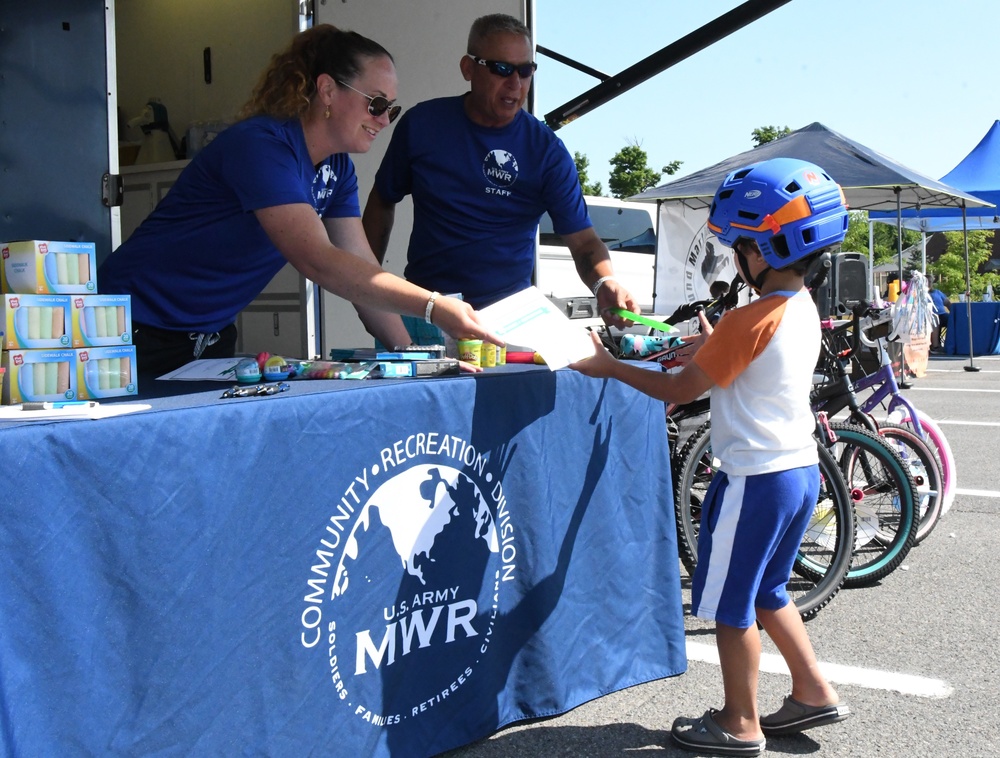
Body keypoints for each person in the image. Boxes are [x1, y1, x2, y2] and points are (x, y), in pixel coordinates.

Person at [571, 157, 852, 756]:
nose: (736, 257)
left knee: (729, 604)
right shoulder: (797, 309)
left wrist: (607, 365)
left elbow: (678, 390)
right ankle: (812, 689)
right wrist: (712, 339)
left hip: (753, 481)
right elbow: (742, 354)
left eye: (741, 246)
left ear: (767, 248)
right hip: (799, 472)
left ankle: (739, 722)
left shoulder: (744, 319)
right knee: (770, 589)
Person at [99, 25, 499, 376]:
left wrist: (415, 358)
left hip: (207, 337)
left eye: (391, 110)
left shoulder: (336, 169)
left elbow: (362, 271)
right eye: (376, 103)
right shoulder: (261, 146)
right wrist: (434, 307)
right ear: (327, 90)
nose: (383, 119)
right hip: (130, 326)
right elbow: (319, 260)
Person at [361, 13, 636, 339]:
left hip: (510, 319)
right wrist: (367, 287)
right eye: (502, 69)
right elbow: (382, 201)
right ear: (468, 68)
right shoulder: (421, 125)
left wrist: (605, 282)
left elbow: (585, 241)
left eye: (525, 71)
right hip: (428, 308)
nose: (515, 84)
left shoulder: (546, 150)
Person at [929, 285, 951, 351]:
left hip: (942, 314)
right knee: (935, 320)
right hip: (930, 316)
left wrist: (954, 314)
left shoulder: (938, 292)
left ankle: (952, 343)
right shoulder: (921, 294)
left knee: (954, 321)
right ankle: (935, 346)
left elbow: (947, 303)